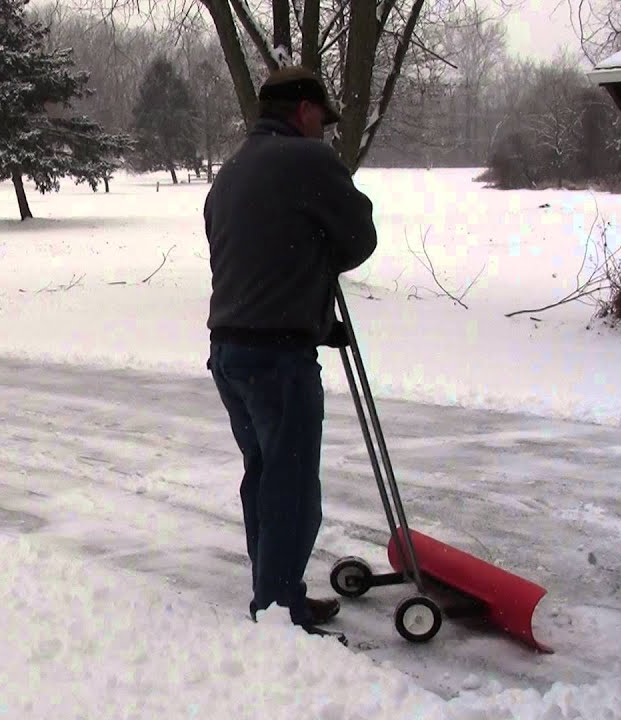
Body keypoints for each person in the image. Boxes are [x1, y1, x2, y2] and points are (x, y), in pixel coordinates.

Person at [203, 65, 378, 637]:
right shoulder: (307, 161)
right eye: (320, 120)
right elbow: (358, 238)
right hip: (277, 360)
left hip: (230, 352)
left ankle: (277, 595)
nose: (323, 132)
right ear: (303, 109)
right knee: (294, 488)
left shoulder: (228, 174)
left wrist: (314, 319)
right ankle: (279, 611)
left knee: (265, 475)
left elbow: (255, 259)